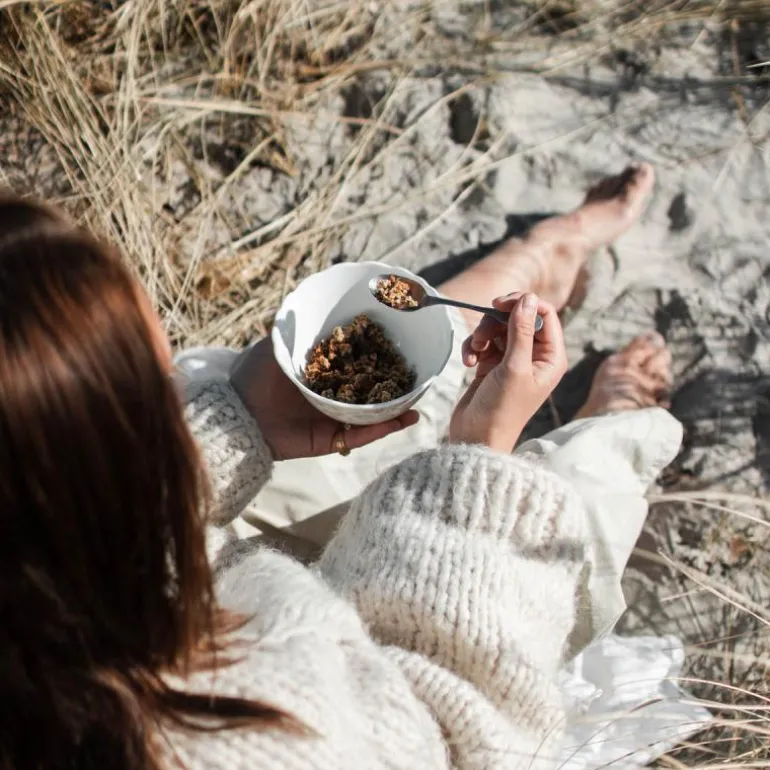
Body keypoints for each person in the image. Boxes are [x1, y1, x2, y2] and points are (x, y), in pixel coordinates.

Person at [0, 165, 678, 770]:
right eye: (154, 389)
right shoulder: (244, 739)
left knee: (379, 391)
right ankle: (616, 417)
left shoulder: (33, 576)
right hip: (384, 678)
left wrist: (235, 425)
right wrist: (479, 460)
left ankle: (541, 256)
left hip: (195, 575)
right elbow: (463, 733)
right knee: (568, 502)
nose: (170, 385)